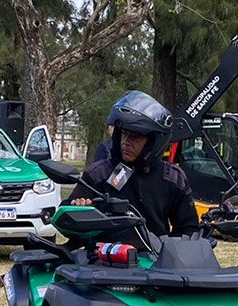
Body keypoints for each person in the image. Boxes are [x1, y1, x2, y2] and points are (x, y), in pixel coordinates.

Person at [67, 92, 197, 240]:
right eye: (124, 134)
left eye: (135, 137)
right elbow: (65, 222)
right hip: (104, 253)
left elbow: (189, 229)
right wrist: (77, 210)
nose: (126, 142)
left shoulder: (173, 178)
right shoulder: (100, 173)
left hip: (157, 253)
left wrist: (173, 248)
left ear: (154, 142)